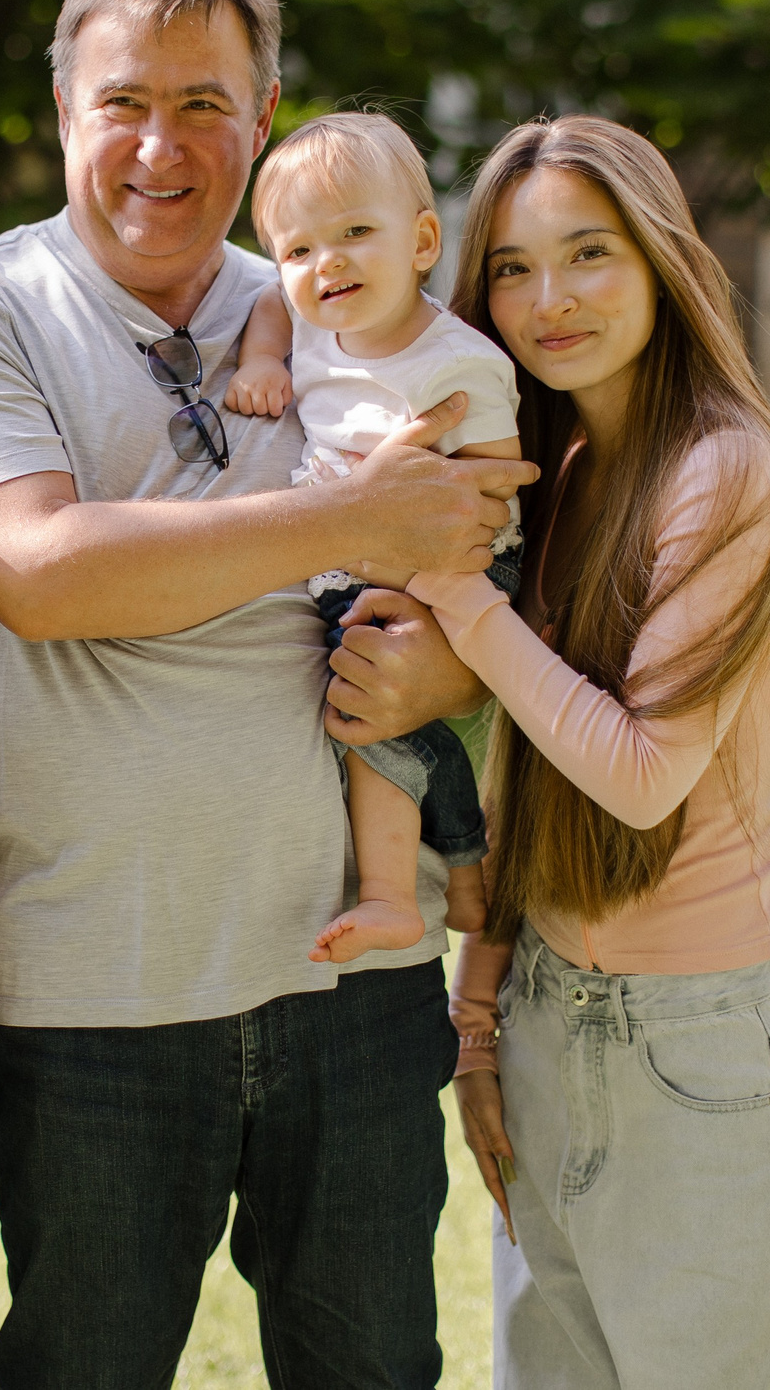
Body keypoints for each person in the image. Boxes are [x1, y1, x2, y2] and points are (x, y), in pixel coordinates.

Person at [0, 0, 537, 1389]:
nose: (160, 147)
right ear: (64, 106)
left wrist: (449, 668)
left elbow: (477, 546)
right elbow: (39, 573)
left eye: (203, 104)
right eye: (123, 101)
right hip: (90, 990)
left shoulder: (340, 296)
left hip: (356, 976)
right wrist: (348, 515)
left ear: (266, 114)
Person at [430, 117, 770, 1389]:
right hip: (546, 1023)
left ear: (661, 261)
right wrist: (477, 1021)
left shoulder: (726, 471)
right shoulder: (559, 467)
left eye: (588, 254)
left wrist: (455, 595)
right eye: (512, 268)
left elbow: (638, 772)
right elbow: (529, 767)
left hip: (705, 1048)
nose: (548, 301)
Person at [223, 111, 516, 960]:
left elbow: (492, 486)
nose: (328, 262)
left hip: (452, 561)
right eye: (300, 248)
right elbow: (271, 305)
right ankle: (464, 867)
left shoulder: (454, 362)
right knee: (370, 712)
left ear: (423, 241)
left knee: (363, 713)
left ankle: (395, 894)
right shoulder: (312, 322)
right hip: (353, 564)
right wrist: (262, 361)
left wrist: (407, 555)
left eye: (355, 233)